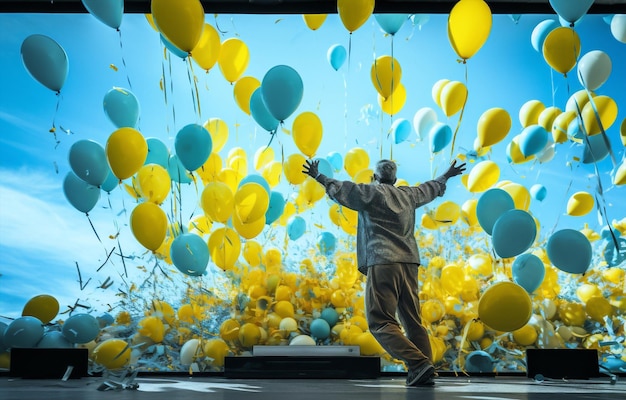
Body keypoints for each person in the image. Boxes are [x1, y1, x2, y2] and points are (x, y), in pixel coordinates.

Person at [302, 158, 466, 386]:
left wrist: (318, 176)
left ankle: (419, 363)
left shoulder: (371, 193)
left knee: (380, 321)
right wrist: (446, 175)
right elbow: (430, 188)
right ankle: (424, 371)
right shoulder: (408, 195)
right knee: (413, 321)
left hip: (383, 261)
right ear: (395, 180)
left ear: (375, 178)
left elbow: (341, 189)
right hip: (409, 263)